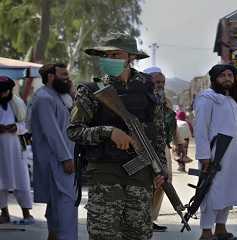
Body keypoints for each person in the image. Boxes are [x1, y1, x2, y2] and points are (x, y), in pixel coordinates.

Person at [67, 33, 166, 240]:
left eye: (115, 54)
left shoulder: (148, 87)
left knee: (138, 234)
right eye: (106, 54)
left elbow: (158, 132)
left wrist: (160, 168)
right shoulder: (91, 90)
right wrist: (109, 132)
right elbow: (74, 131)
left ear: (130, 57)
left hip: (140, 173)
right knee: (104, 234)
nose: (109, 58)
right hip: (105, 172)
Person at [194, 64, 237, 240]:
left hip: (233, 156)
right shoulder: (207, 98)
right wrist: (204, 157)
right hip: (215, 155)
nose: (227, 78)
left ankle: (221, 229)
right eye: (223, 75)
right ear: (214, 79)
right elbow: (201, 129)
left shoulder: (232, 101)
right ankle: (206, 232)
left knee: (228, 191)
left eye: (230, 75)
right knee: (211, 192)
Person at [30, 63, 77, 240]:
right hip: (56, 161)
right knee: (66, 205)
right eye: (63, 74)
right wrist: (66, 158)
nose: (67, 78)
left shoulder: (57, 96)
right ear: (50, 76)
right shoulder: (43, 98)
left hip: (62, 159)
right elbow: (52, 133)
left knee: (58, 206)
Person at [143, 66, 180, 232]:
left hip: (163, 146)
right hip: (146, 147)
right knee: (148, 183)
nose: (160, 85)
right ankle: (141, 218)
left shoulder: (166, 101)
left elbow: (173, 125)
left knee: (164, 182)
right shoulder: (141, 99)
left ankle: (150, 219)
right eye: (157, 82)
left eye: (162, 82)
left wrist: (179, 144)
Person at [0, 76, 33, 225]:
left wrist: (16, 128)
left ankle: (26, 213)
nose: (2, 95)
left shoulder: (18, 104)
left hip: (17, 148)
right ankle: (4, 213)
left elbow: (26, 125)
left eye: (4, 92)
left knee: (21, 179)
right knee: (0, 181)